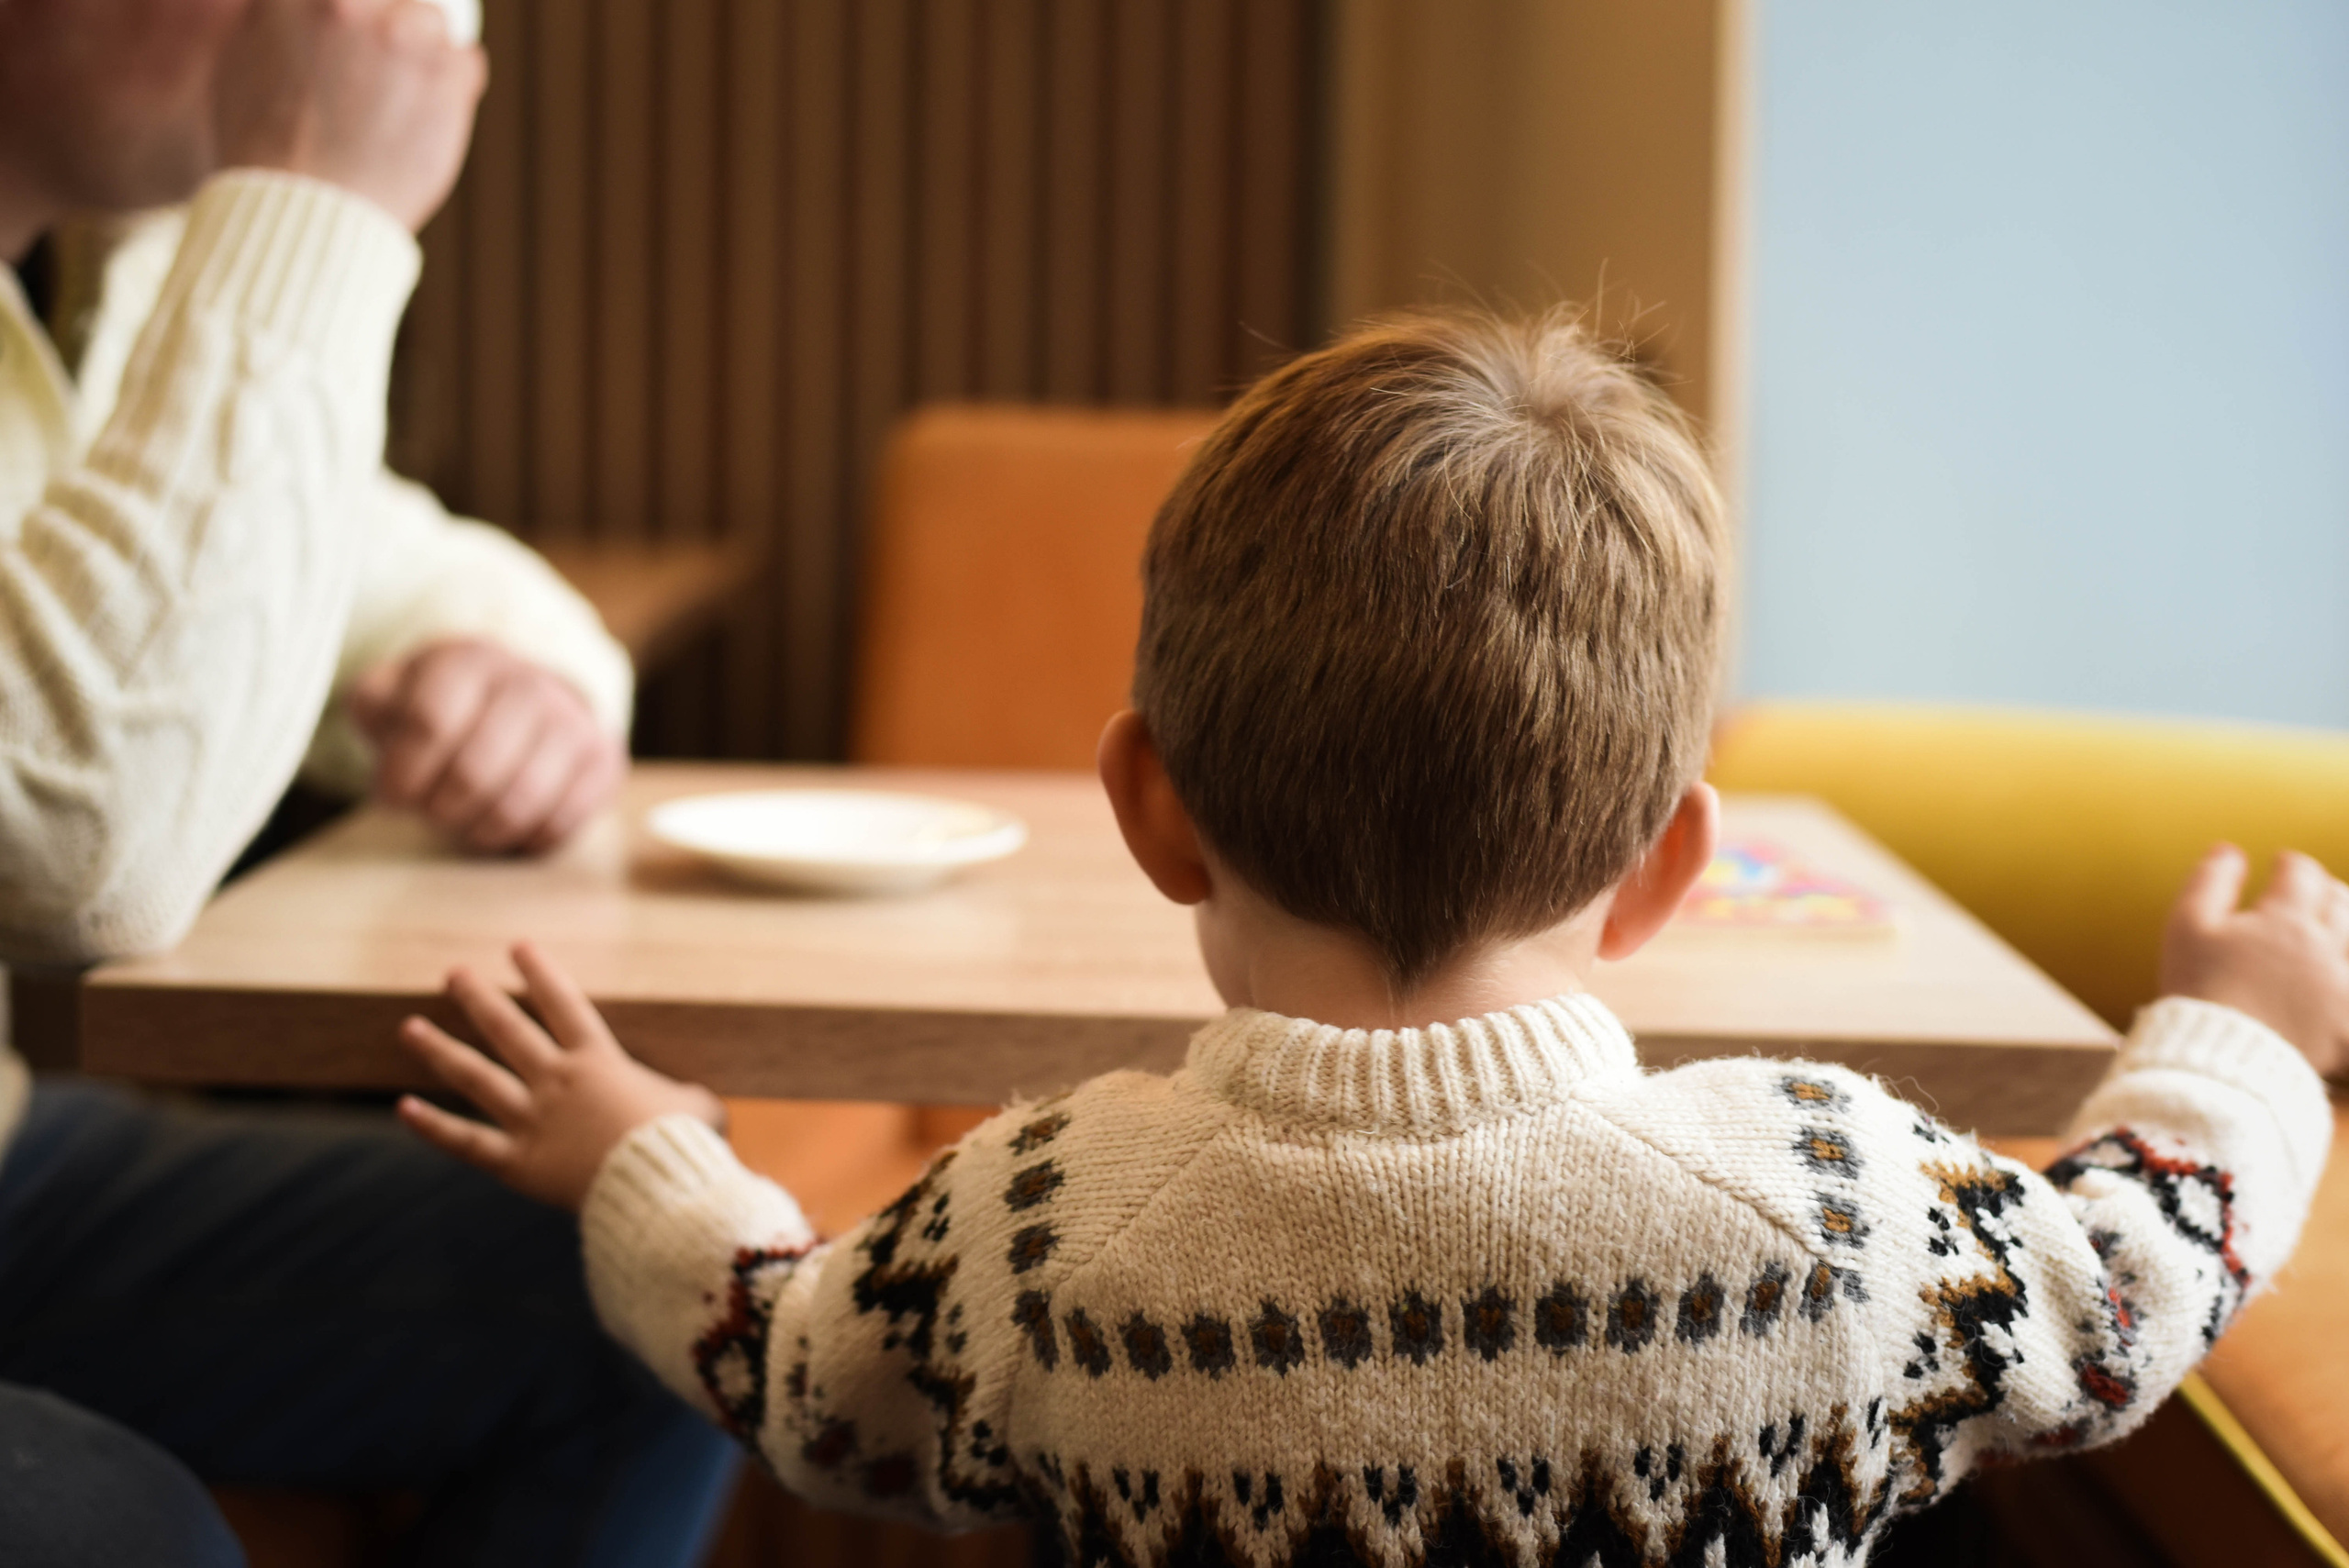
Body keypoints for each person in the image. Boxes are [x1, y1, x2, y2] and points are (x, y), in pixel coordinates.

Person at [398, 310, 2343, 1565]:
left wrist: (642, 1152)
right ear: (1671, 868)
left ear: (1148, 809)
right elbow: (2124, 1286)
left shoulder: (1049, 1225)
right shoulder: (1834, 1206)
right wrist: (2230, 1032)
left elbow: (794, 1377)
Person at [0, 1, 735, 1562]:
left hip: (15, 1160)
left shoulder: (84, 278)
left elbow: (383, 566)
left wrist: (525, 683)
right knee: (128, 1535)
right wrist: (312, 208)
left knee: (655, 1293)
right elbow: (75, 841)